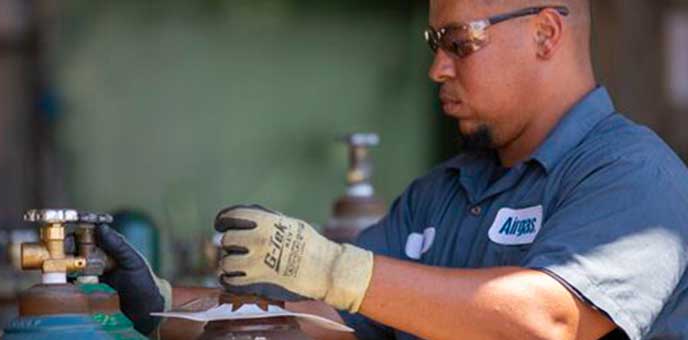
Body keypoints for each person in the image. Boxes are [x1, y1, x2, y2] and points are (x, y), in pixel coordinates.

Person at [98, 0, 688, 339]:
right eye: (435, 41)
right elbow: (330, 321)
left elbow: (549, 320)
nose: (437, 68)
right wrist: (165, 306)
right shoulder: (443, 193)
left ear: (545, 34)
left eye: (459, 43)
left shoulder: (633, 176)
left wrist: (332, 266)